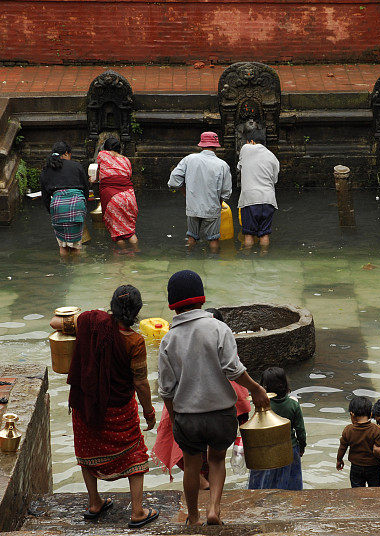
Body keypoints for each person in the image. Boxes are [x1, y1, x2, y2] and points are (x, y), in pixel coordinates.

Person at [157, 270, 268, 526]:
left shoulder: (168, 339)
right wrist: (255, 389)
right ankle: (213, 510)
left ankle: (193, 516)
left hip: (187, 416)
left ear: (173, 306)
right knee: (217, 459)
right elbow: (233, 369)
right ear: (202, 299)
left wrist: (175, 418)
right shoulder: (219, 328)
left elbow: (167, 389)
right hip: (221, 413)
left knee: (192, 463)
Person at [49, 285, 160, 528]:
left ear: (113, 305)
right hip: (119, 408)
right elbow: (140, 382)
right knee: (134, 452)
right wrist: (149, 413)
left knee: (86, 449)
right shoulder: (135, 341)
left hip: (86, 403)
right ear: (138, 310)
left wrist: (79, 319)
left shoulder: (92, 322)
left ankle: (94, 503)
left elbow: (54, 323)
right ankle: (138, 511)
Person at [167, 132, 232, 253]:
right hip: (212, 207)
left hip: (193, 206)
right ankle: (213, 264)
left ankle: (190, 259)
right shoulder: (223, 165)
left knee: (191, 236)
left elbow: (173, 181)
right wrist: (218, 202)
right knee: (214, 239)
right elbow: (226, 192)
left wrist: (185, 193)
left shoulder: (189, 159)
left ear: (201, 145)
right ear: (216, 146)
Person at [248, 367, 306, 491]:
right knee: (290, 482)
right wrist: (302, 447)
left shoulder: (262, 405)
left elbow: (256, 428)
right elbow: (300, 430)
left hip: (266, 449)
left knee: (264, 482)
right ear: (285, 384)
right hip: (290, 448)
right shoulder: (293, 405)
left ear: (264, 388)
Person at [39, 141, 90, 257]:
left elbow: (45, 196)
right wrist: (83, 206)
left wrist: (51, 212)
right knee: (76, 245)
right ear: (66, 153)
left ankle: (65, 269)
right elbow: (86, 189)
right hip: (77, 204)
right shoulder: (76, 166)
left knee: (63, 246)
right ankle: (75, 271)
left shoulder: (46, 169)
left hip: (57, 205)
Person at [236, 125, 279, 250]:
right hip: (268, 199)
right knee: (264, 234)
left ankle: (248, 258)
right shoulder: (273, 157)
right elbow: (274, 180)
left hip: (250, 199)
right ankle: (263, 256)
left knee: (248, 234)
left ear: (251, 142)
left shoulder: (246, 148)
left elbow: (240, 167)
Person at [94, 137, 139, 247]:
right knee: (130, 232)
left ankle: (121, 258)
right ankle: (135, 255)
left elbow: (96, 169)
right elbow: (127, 176)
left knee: (118, 234)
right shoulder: (126, 160)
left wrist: (93, 179)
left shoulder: (102, 155)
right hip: (129, 197)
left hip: (113, 197)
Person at [336, 396, 380, 487]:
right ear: (370, 414)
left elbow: (342, 447)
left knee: (356, 491)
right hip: (373, 467)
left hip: (356, 467)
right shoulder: (376, 430)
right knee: (374, 490)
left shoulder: (348, 430)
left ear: (352, 414)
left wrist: (339, 460)